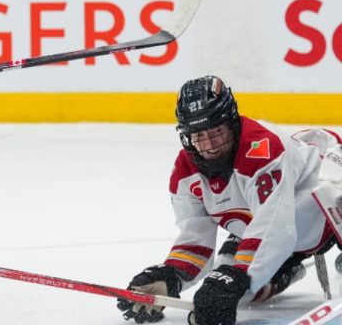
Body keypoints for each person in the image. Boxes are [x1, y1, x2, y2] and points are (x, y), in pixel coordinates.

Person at [116, 75, 342, 325]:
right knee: (233, 285)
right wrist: (170, 277)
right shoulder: (185, 172)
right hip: (287, 231)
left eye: (217, 132)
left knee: (236, 279)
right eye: (199, 135)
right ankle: (285, 270)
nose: (210, 145)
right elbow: (195, 239)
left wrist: (238, 277)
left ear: (232, 123)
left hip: (327, 213)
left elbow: (275, 229)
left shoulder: (261, 148)